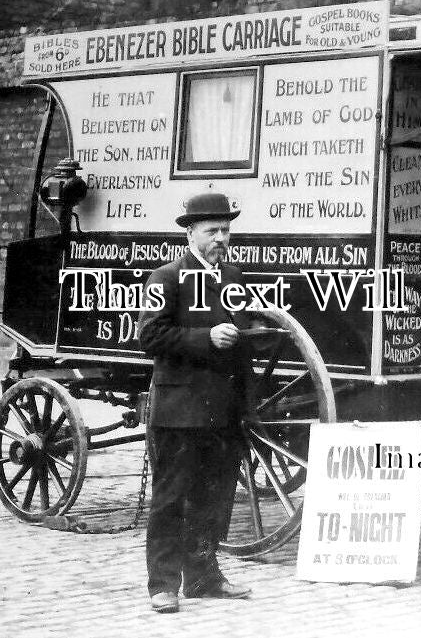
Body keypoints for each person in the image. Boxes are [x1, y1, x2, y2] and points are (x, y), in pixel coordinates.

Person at [138, 192, 254, 613]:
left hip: (221, 411)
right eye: (212, 231)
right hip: (179, 410)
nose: (221, 238)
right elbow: (150, 336)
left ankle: (204, 578)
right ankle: (162, 585)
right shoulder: (166, 278)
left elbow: (241, 335)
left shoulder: (234, 276)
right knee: (171, 498)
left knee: (214, 496)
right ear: (190, 233)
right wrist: (206, 338)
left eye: (226, 231)